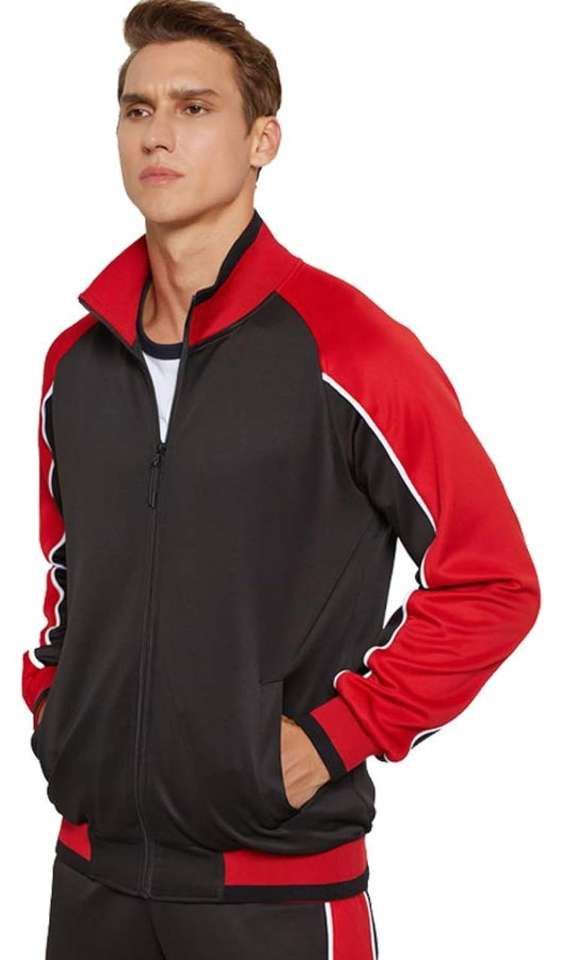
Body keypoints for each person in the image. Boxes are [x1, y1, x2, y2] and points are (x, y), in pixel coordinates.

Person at [22, 1, 541, 957]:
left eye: (193, 108)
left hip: (276, 893)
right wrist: (55, 706)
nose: (157, 135)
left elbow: (491, 582)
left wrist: (334, 736)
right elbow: (68, 570)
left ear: (262, 140)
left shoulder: (351, 351)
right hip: (92, 878)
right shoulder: (74, 364)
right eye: (136, 111)